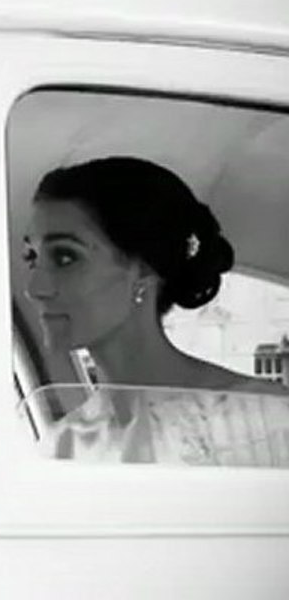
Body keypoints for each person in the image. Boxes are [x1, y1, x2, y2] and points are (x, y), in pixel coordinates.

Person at [22, 156, 289, 466]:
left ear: (144, 271)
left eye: (65, 257)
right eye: (31, 257)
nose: (34, 288)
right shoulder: (62, 447)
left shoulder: (268, 419)